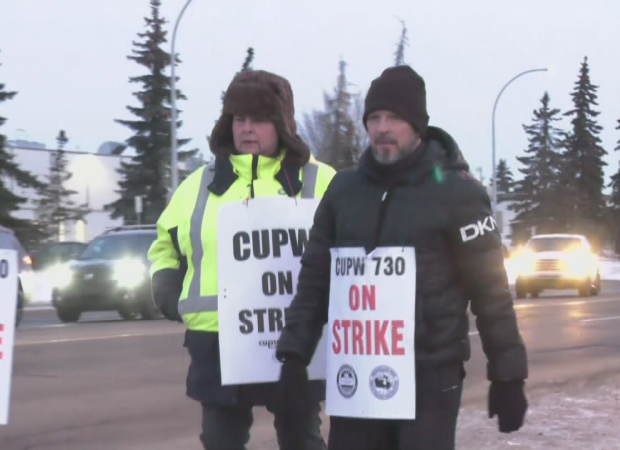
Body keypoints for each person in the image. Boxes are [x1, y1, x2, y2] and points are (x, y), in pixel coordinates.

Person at [274, 65, 529, 450]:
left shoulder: (458, 194)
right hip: (356, 374)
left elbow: (490, 291)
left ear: (418, 126)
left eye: (394, 118)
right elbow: (315, 280)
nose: (382, 128)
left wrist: (507, 375)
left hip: (428, 374)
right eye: (374, 118)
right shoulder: (344, 191)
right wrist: (294, 357)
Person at [148, 69, 335, 450]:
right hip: (217, 340)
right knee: (221, 441)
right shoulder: (197, 186)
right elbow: (164, 244)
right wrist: (165, 283)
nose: (247, 128)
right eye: (239, 118)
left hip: (296, 338)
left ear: (282, 124)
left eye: (259, 118)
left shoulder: (322, 182)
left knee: (301, 438)